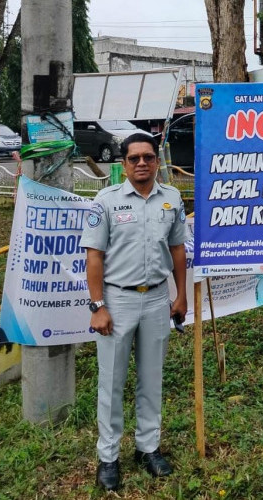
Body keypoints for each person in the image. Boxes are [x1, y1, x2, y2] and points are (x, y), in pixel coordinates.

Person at [80, 133, 188, 491]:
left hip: (157, 299)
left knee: (151, 378)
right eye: (134, 158)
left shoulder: (171, 199)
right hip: (118, 301)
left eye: (148, 157)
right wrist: (98, 307)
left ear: (157, 161)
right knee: (111, 382)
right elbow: (94, 256)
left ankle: (148, 447)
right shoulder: (106, 201)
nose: (142, 163)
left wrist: (181, 295)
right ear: (123, 165)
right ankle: (108, 457)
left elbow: (177, 251)